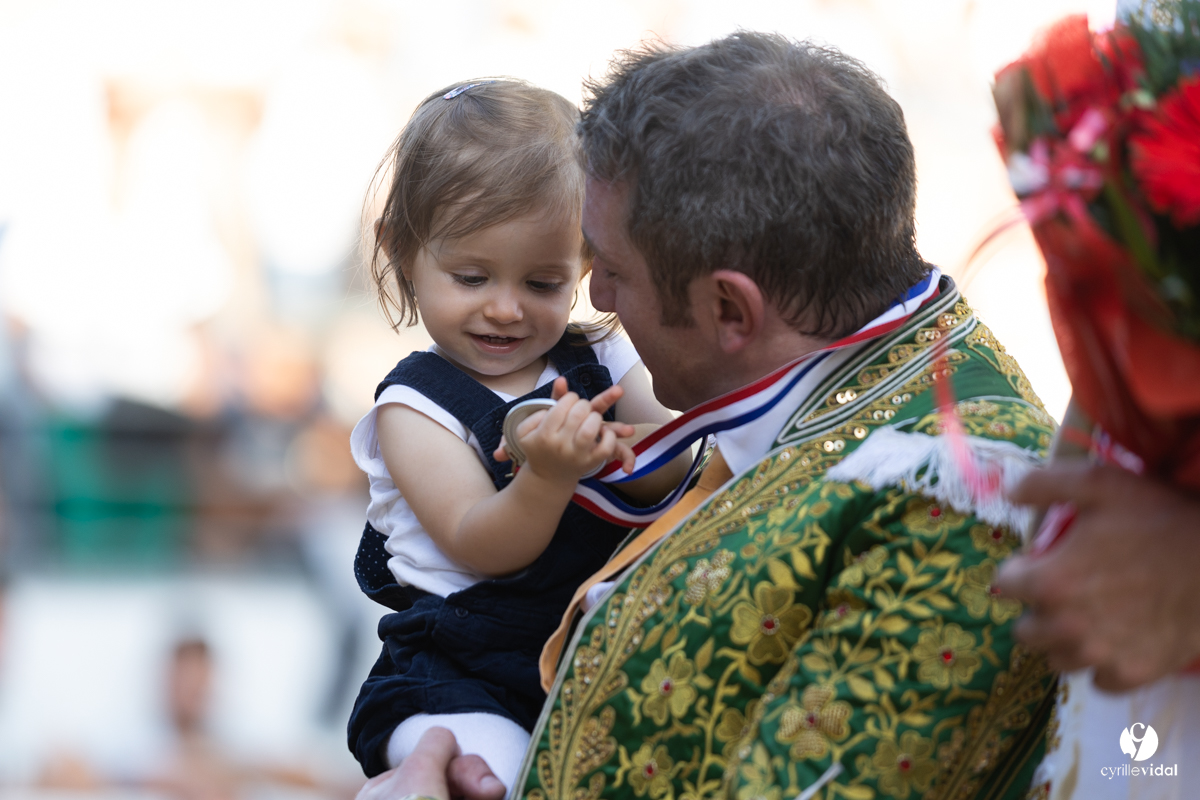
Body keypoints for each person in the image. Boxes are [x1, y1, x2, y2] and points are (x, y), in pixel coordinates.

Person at [359, 32, 1058, 800]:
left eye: (611, 271)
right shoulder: (849, 398)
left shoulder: (953, 503)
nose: (597, 303)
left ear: (729, 308)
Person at [346, 79, 688, 788]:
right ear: (401, 251)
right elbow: (482, 542)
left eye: (542, 284)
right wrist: (550, 476)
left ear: (586, 267)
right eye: (471, 277)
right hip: (456, 678)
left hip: (576, 655)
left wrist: (633, 451)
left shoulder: (605, 358)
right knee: (508, 777)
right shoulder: (414, 409)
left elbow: (671, 463)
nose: (505, 309)